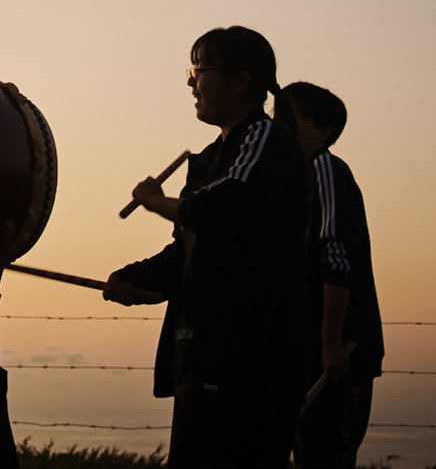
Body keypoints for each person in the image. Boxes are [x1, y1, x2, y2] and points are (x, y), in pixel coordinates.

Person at [103, 26, 311, 469]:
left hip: (252, 361)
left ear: (240, 80)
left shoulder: (265, 140)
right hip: (204, 356)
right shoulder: (210, 159)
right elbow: (191, 252)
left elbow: (225, 211)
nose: (190, 82)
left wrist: (158, 203)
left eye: (199, 70)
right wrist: (135, 279)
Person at [284, 82, 383, 469]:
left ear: (323, 132)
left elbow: (337, 256)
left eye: (292, 118)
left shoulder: (322, 167)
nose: (280, 125)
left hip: (340, 355)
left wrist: (330, 343)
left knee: (328, 454)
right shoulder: (295, 176)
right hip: (313, 349)